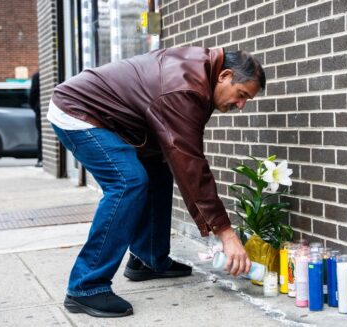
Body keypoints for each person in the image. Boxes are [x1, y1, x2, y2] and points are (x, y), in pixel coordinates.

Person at [47, 47, 265, 318]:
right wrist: (226, 233)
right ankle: (86, 286)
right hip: (80, 111)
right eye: (241, 95)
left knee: (160, 171)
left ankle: (148, 259)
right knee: (128, 183)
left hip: (120, 121)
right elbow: (192, 165)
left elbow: (180, 155)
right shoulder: (187, 89)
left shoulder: (201, 76)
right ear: (225, 75)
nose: (241, 105)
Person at [28, 71, 43, 167]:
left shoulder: (37, 75)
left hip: (41, 110)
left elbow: (33, 94)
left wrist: (35, 108)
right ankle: (41, 159)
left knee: (42, 135)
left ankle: (41, 159)